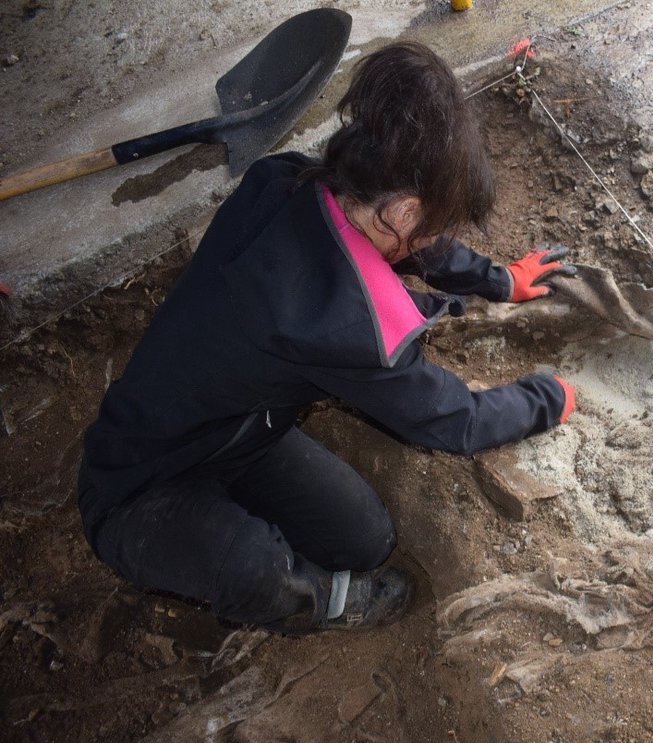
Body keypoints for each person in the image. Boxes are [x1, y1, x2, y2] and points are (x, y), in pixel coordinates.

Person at [76, 42, 576, 633]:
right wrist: (549, 399)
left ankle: (253, 535)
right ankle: (322, 605)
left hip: (238, 434)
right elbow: (454, 421)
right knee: (253, 568)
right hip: (139, 484)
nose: (432, 240)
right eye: (432, 223)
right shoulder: (334, 324)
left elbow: (419, 243)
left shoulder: (290, 181)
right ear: (405, 213)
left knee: (367, 539)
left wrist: (501, 281)